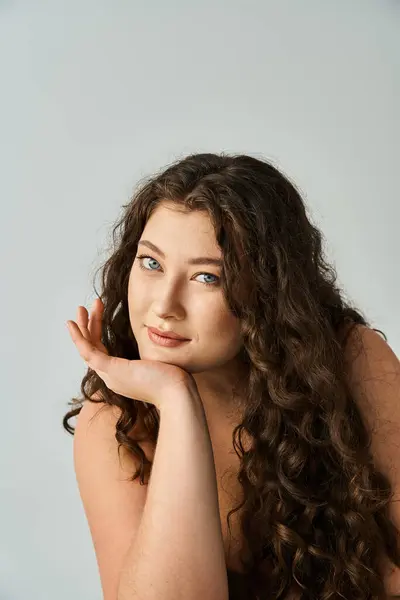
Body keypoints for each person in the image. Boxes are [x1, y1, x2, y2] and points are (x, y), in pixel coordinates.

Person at [63, 152, 400, 600]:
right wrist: (176, 399)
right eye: (151, 263)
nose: (164, 305)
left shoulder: (352, 359)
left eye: (206, 277)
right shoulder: (115, 420)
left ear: (267, 293)